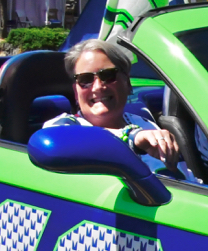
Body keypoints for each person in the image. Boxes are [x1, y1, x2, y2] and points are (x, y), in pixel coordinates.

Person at [45, 39, 187, 178]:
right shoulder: (60, 127)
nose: (98, 87)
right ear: (76, 91)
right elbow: (65, 142)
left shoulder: (145, 124)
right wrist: (131, 137)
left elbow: (182, 177)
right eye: (85, 79)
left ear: (127, 82)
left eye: (108, 75)